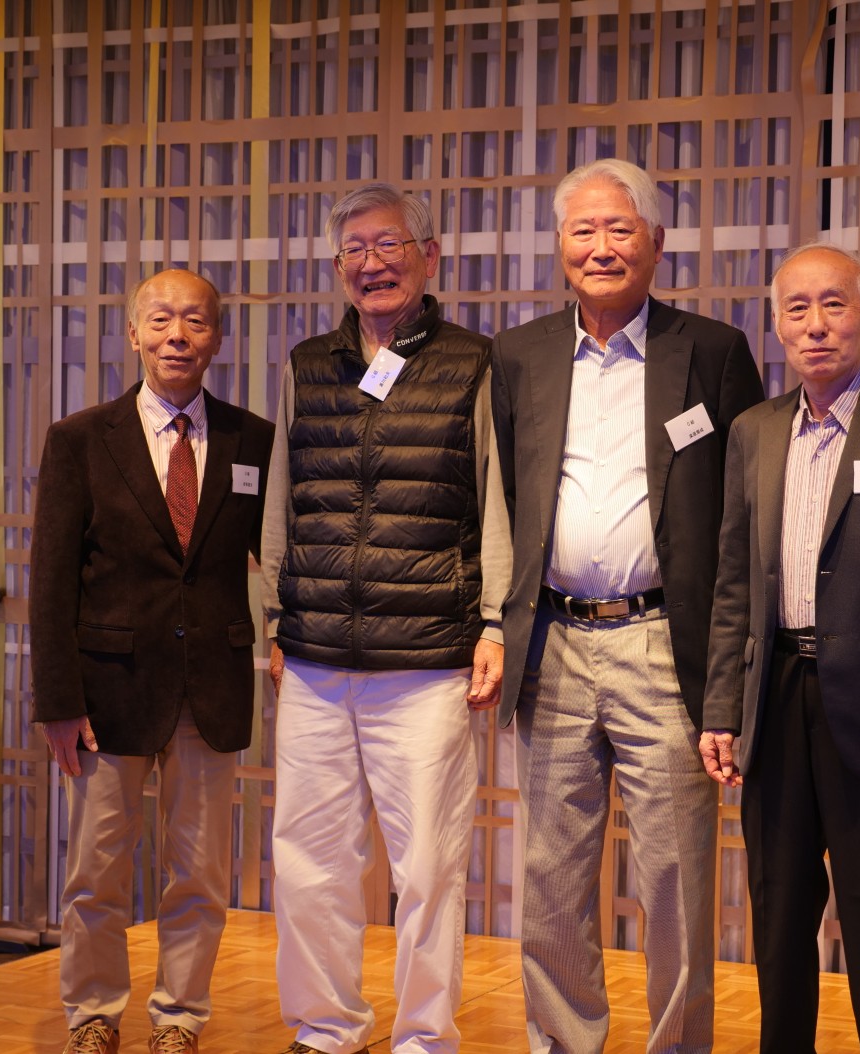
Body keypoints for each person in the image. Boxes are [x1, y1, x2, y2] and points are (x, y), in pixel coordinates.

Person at [490, 158, 764, 1054]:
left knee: (677, 874)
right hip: (554, 642)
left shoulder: (712, 352)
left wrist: (728, 666)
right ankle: (563, 1043)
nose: (601, 247)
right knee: (550, 876)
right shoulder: (519, 354)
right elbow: (501, 499)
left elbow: (741, 511)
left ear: (656, 242)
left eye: (620, 229)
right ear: (559, 246)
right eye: (583, 230)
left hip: (663, 644)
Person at [262, 182, 510, 1054]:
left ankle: (423, 1038)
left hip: (427, 661)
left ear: (428, 256)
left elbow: (495, 498)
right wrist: (274, 617)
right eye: (354, 250)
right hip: (315, 657)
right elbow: (283, 497)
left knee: (430, 867)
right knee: (309, 860)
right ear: (338, 268)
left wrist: (493, 623)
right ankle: (326, 1027)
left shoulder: (474, 363)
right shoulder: (305, 366)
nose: (371, 264)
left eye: (389, 245)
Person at [699, 243, 860, 1054]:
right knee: (777, 911)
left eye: (833, 304)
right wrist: (720, 706)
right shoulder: (753, 430)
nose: (815, 325)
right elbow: (734, 579)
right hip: (774, 693)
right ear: (776, 325)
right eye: (797, 308)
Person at [30, 269, 274, 1054]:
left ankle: (179, 1018)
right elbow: (50, 578)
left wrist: (285, 638)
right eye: (161, 320)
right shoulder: (80, 438)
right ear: (134, 334)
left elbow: (274, 556)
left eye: (195, 321)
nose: (178, 336)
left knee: (198, 873)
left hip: (212, 687)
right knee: (96, 871)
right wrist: (57, 701)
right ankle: (93, 1014)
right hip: (108, 693)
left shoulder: (253, 439)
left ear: (217, 338)